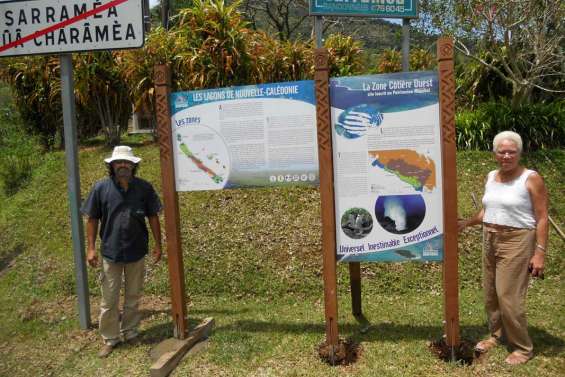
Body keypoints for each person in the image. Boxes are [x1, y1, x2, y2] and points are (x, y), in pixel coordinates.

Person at [458, 131, 548, 365]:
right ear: (495, 153)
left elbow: (542, 217)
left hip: (517, 240)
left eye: (511, 151)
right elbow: (488, 210)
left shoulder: (530, 178)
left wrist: (539, 253)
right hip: (490, 237)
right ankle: (498, 335)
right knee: (490, 294)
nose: (506, 155)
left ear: (519, 153)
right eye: (502, 151)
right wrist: (467, 223)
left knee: (508, 296)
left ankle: (522, 348)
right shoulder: (491, 176)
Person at [81, 145, 163, 358]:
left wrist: (158, 244)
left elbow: (153, 216)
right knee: (109, 300)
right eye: (119, 162)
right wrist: (90, 249)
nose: (123, 166)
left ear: (134, 165)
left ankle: (131, 332)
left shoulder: (145, 188)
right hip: (111, 252)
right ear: (112, 166)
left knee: (133, 296)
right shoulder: (100, 189)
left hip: (137, 250)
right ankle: (110, 338)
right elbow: (92, 219)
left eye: (127, 162)